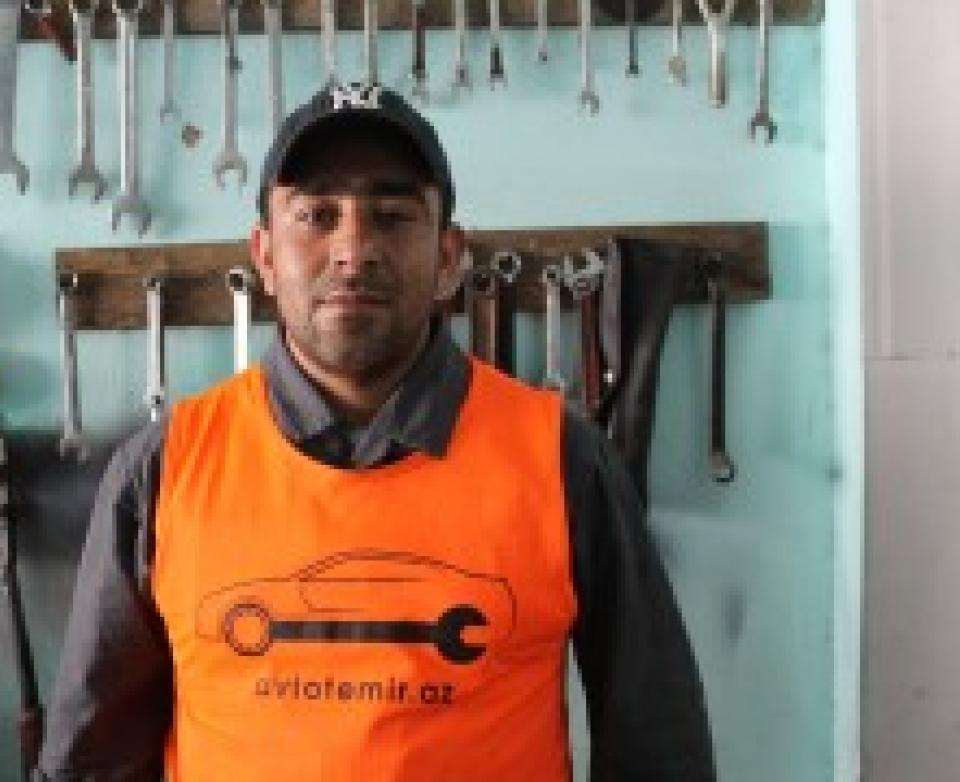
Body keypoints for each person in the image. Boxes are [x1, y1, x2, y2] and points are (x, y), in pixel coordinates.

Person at [35, 82, 715, 781]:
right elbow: (92, 763)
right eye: (316, 215)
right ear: (264, 255)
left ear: (448, 256)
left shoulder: (563, 460)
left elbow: (660, 750)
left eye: (392, 216)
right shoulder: (162, 470)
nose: (354, 249)